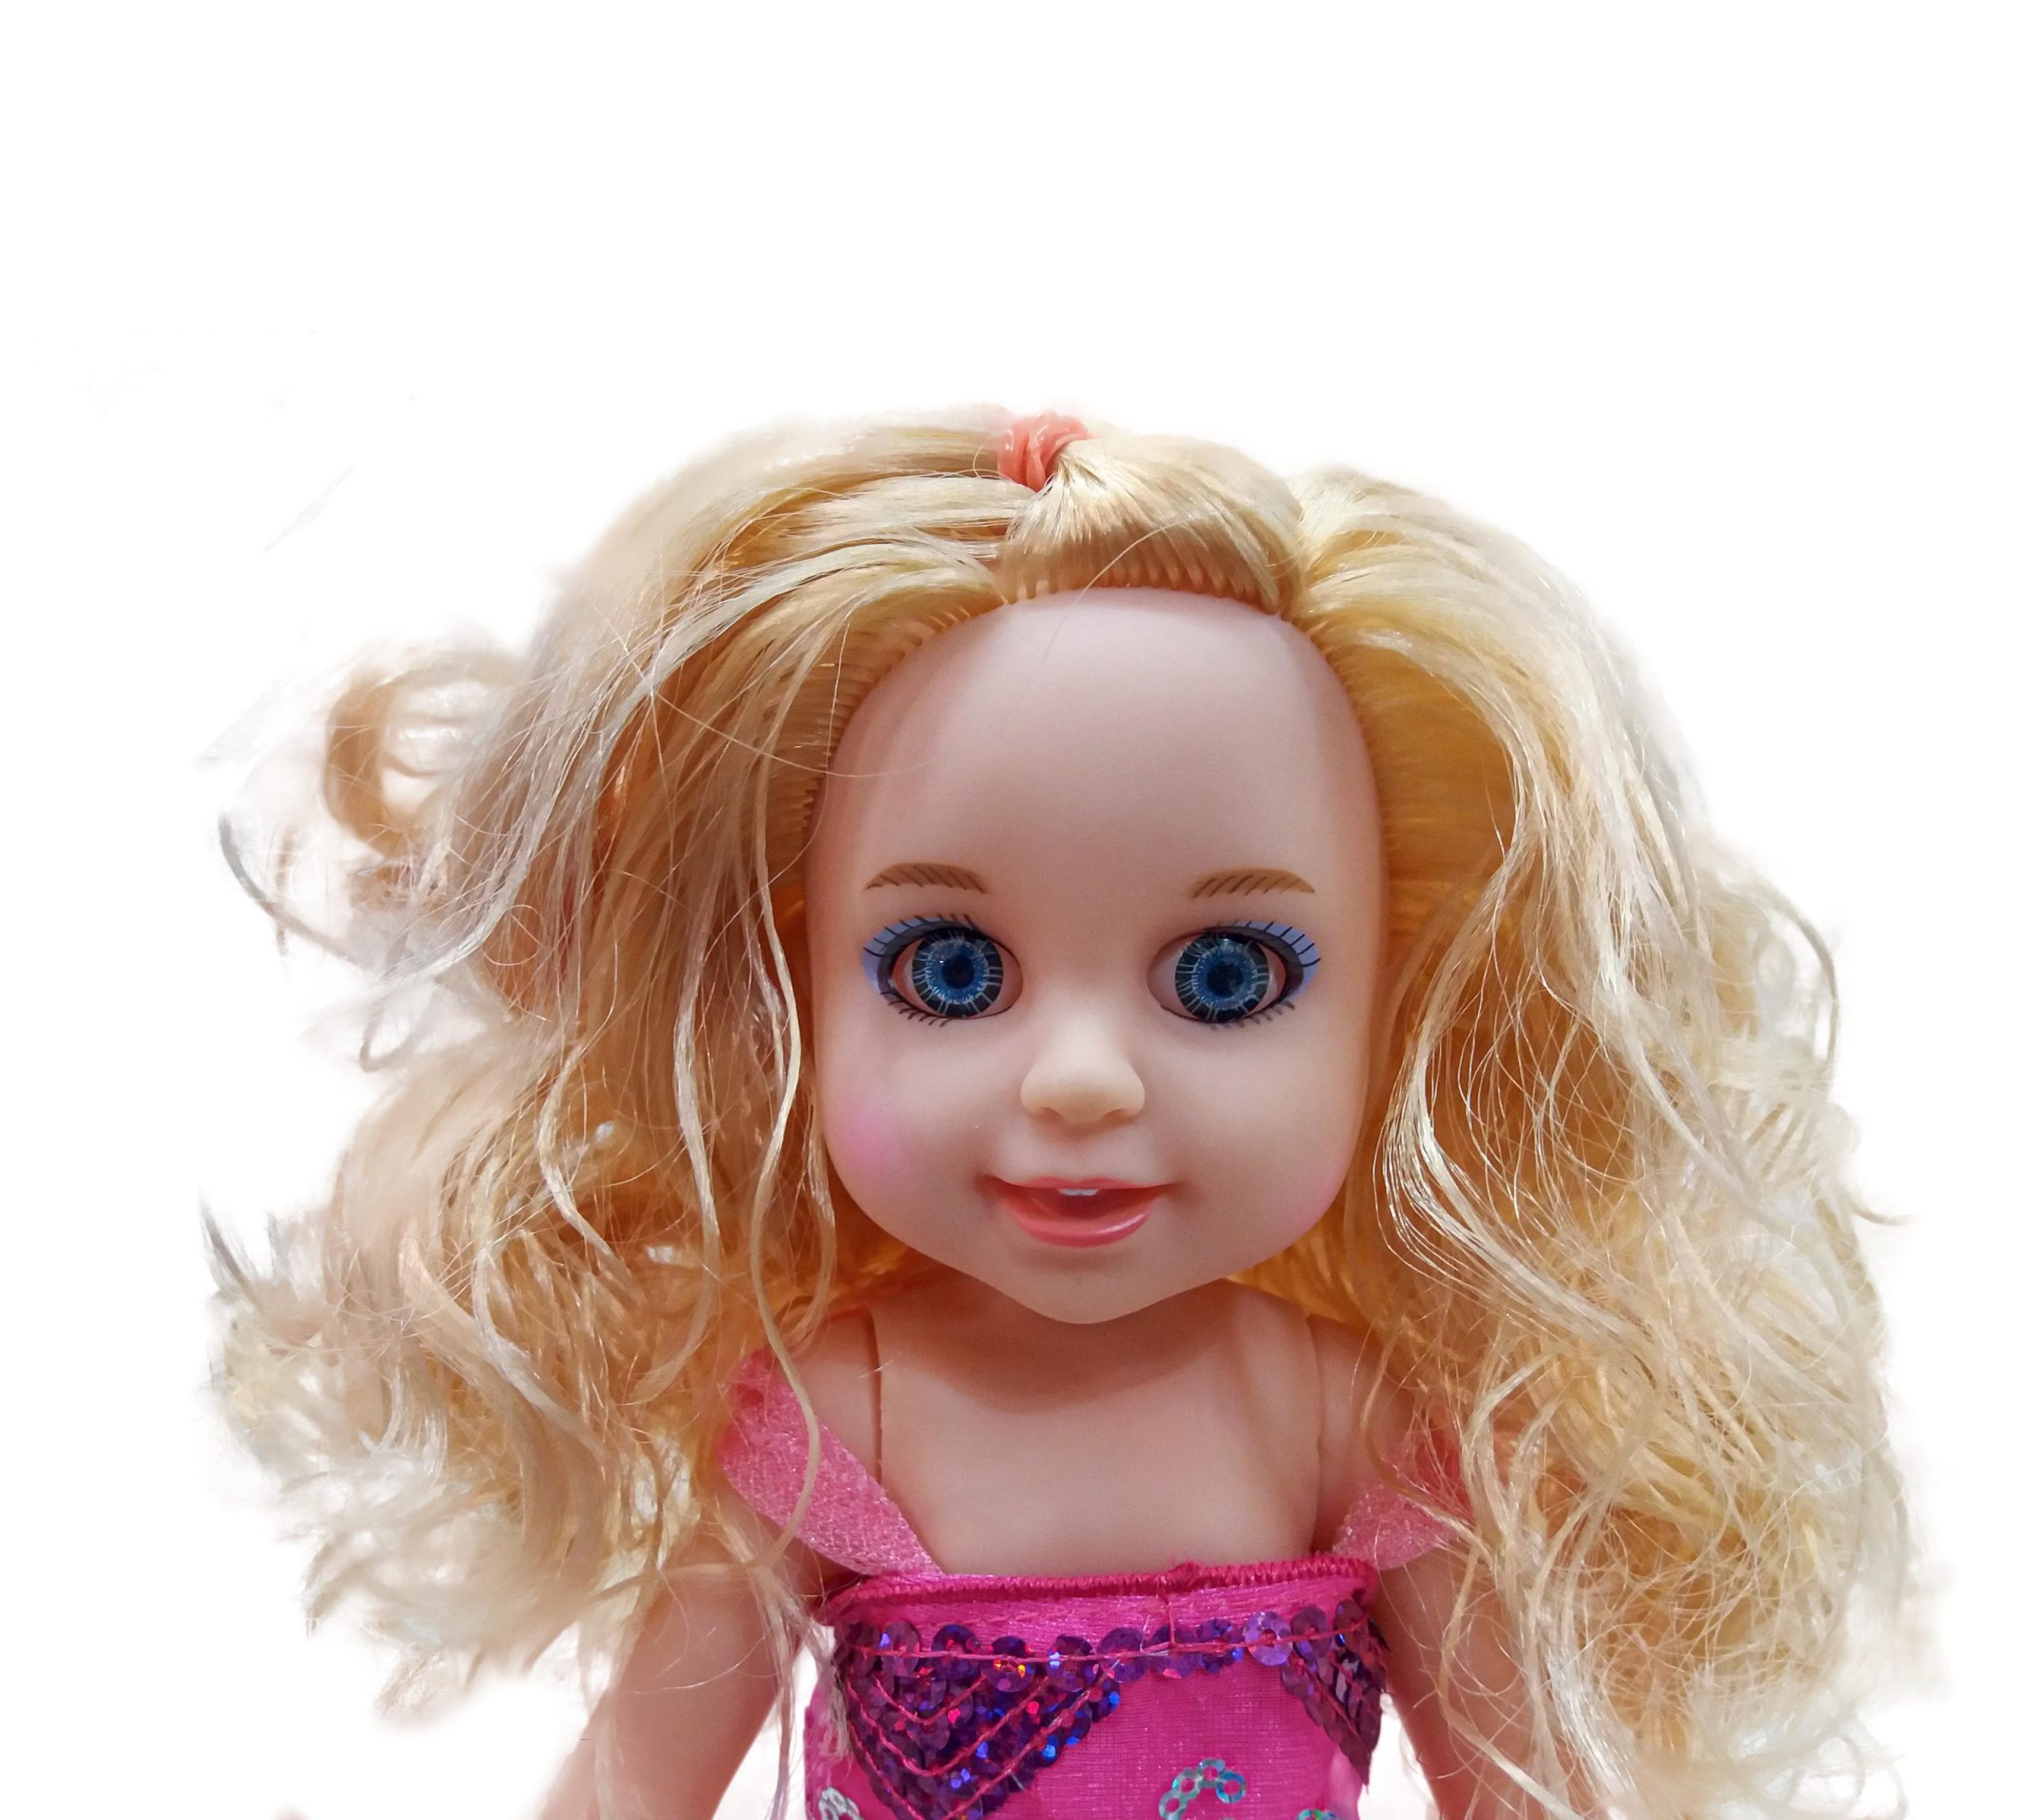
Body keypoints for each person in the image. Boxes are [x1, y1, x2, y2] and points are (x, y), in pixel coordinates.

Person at [212, 413, 1904, 1818]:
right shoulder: (839, 1409)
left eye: (1228, 977)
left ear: (1402, 1008)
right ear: (790, 991)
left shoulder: (1350, 1420)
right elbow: (633, 1782)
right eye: (948, 971)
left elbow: (1519, 1785)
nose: (1080, 1079)